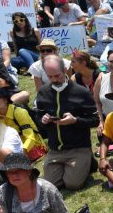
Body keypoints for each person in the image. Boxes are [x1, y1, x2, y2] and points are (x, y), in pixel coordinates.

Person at [35, 55, 98, 191]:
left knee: (72, 184)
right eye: (50, 76)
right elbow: (38, 116)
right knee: (50, 186)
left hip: (78, 148)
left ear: (65, 70)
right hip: (55, 150)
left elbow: (95, 120)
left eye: (57, 75)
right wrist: (43, 119)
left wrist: (75, 120)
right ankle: (74, 168)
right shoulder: (43, 92)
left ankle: (88, 162)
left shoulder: (81, 92)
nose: (54, 80)